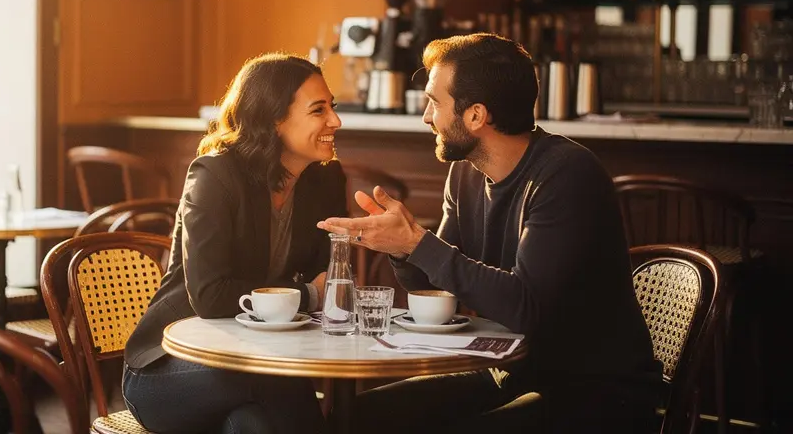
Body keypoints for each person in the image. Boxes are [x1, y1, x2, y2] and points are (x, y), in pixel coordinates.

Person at [317, 34, 660, 433]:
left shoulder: (566, 175)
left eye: (434, 102)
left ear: (476, 115)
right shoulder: (465, 173)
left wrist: (417, 243)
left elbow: (527, 308)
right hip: (510, 371)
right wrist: (399, 247)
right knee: (357, 418)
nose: (427, 117)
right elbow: (434, 283)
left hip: (595, 392)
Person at [123, 53, 346, 434]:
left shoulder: (324, 179)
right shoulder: (215, 174)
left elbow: (332, 280)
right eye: (318, 110)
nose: (335, 121)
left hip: (256, 360)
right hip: (170, 364)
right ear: (275, 120)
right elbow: (210, 297)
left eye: (333, 108)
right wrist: (307, 294)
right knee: (274, 375)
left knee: (252, 424)